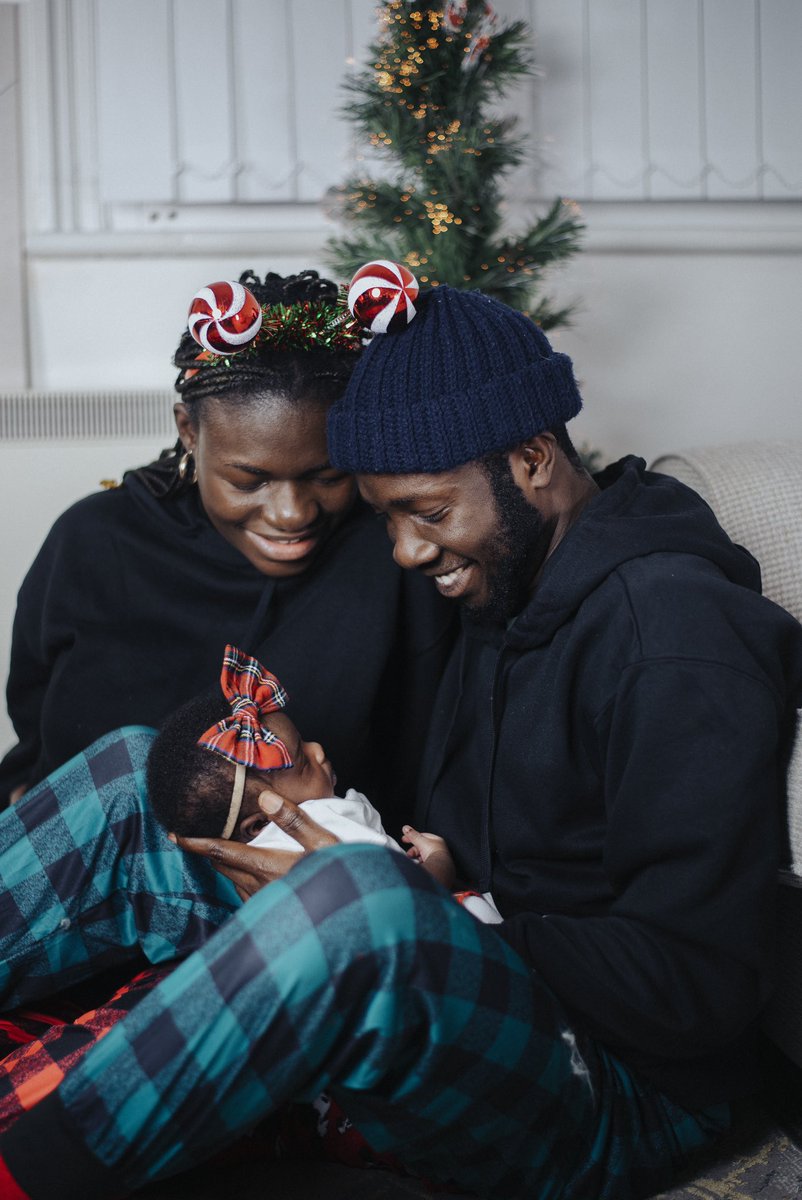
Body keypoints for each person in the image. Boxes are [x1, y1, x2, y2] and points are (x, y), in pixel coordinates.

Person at [0, 282, 800, 1200]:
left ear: (533, 458)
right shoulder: (509, 578)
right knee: (130, 774)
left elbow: (696, 989)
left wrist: (446, 908)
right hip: (471, 966)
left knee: (353, 902)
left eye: (425, 511)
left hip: (619, 1088)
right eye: (386, 516)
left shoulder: (675, 640)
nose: (406, 552)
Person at [0, 270, 453, 830]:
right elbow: (34, 721)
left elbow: (432, 765)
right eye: (249, 480)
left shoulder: (393, 560)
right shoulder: (95, 545)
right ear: (189, 431)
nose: (292, 513)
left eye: (328, 475)